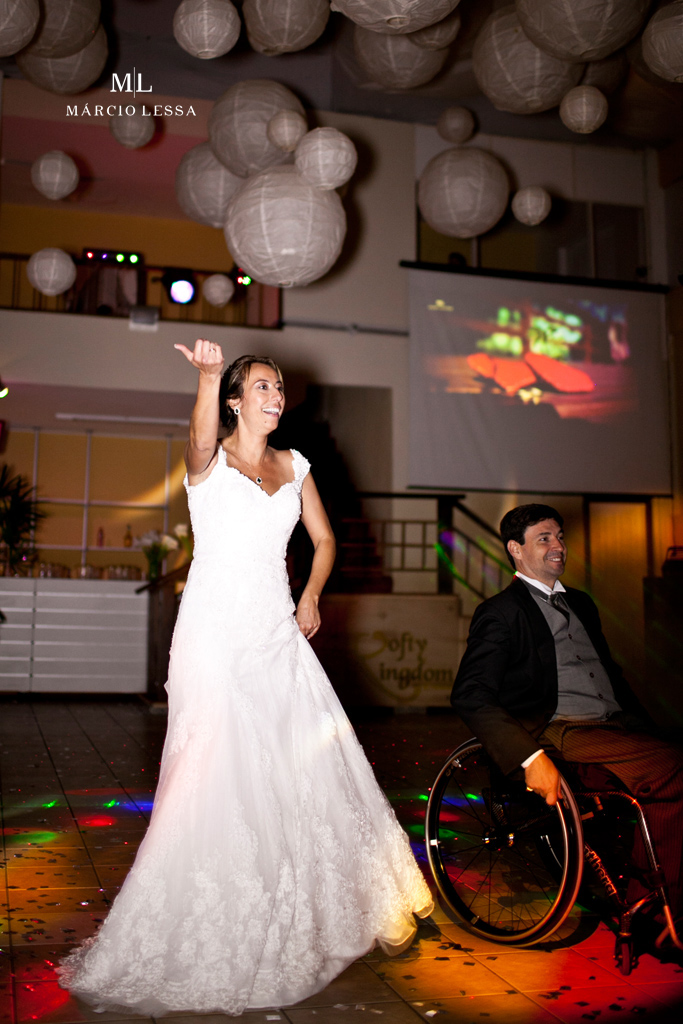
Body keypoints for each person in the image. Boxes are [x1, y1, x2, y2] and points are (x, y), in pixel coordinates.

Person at [58, 342, 433, 1015]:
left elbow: (324, 541)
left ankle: (316, 899)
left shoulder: (295, 464)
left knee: (303, 763)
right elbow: (198, 436)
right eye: (261, 385)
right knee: (215, 769)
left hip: (274, 631)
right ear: (236, 399)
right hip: (212, 635)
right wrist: (205, 378)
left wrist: (312, 594)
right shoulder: (210, 460)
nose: (276, 395)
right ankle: (210, 914)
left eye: (279, 386)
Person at [450, 503, 683, 924]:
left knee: (670, 752)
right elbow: (470, 694)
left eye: (559, 537)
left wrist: (644, 727)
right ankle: (655, 911)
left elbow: (609, 675)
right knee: (672, 766)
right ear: (516, 550)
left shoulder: (582, 603)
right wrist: (530, 757)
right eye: (544, 538)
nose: (558, 546)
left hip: (611, 725)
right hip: (559, 728)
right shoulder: (502, 612)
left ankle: (659, 890)